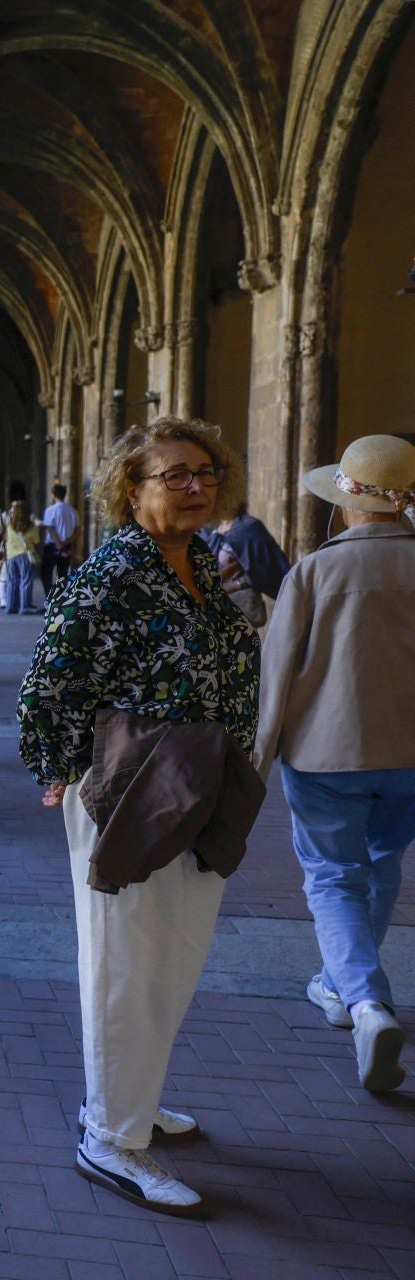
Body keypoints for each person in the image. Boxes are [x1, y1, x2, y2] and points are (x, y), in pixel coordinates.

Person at [17, 417, 261, 1218]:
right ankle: (112, 1138)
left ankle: (133, 1095)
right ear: (132, 488)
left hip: (199, 779)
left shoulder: (197, 561)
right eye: (175, 475)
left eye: (205, 473)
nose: (196, 487)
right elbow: (50, 676)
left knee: (174, 954)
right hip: (132, 787)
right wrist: (55, 767)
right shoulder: (113, 573)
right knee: (126, 960)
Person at [253, 434, 415, 1093]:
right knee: (381, 865)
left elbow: (277, 669)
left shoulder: (316, 571)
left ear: (349, 504)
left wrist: (255, 761)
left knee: (331, 878)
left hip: (326, 754)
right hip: (409, 758)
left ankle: (365, 1001)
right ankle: (340, 982)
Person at [203, 502, 289, 605]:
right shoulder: (211, 527)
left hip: (239, 603)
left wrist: (235, 585)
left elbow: (264, 568)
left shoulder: (249, 527)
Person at [0, 501, 40, 614]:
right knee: (26, 581)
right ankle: (24, 606)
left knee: (12, 581)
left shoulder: (9, 526)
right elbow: (36, 541)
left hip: (11, 556)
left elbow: (6, 539)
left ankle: (11, 606)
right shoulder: (32, 526)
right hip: (25, 555)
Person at [40, 482, 79, 592]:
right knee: (63, 575)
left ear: (53, 494)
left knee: (46, 573)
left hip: (52, 546)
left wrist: (58, 545)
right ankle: (61, 600)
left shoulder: (51, 510)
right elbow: (78, 531)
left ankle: (49, 600)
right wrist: (65, 543)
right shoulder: (73, 511)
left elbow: (50, 529)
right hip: (67, 545)